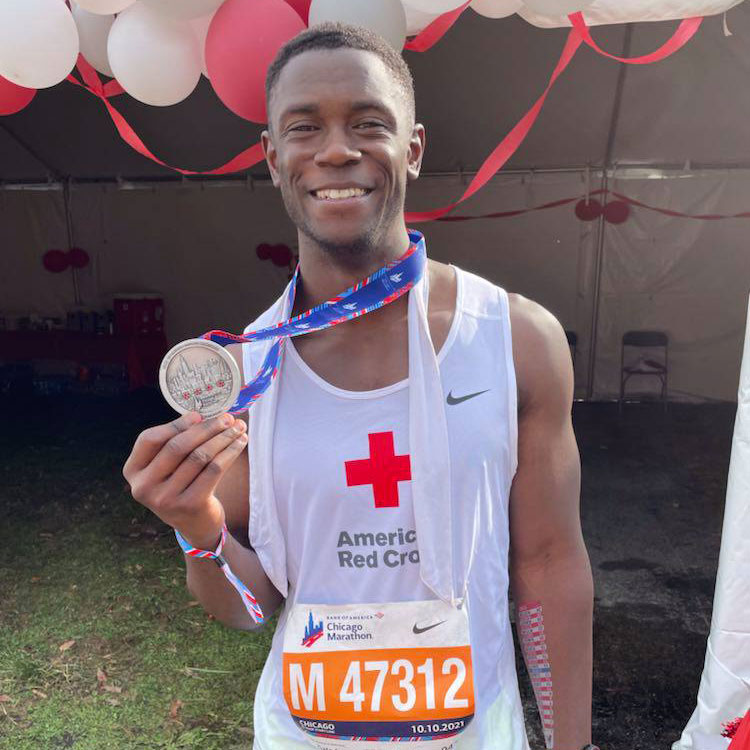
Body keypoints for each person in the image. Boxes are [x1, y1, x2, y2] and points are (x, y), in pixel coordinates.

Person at [122, 23, 595, 750]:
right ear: (274, 158)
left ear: (412, 147)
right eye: (304, 128)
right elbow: (253, 608)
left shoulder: (514, 340)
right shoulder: (247, 376)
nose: (336, 149)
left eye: (368, 123)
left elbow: (550, 562)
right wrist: (197, 530)